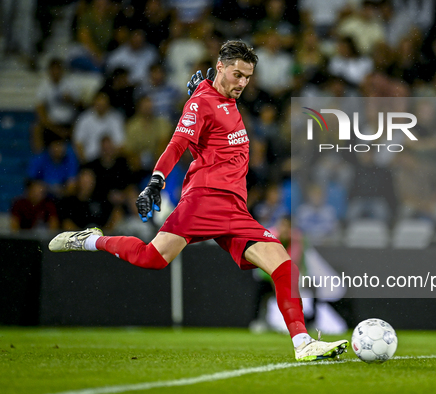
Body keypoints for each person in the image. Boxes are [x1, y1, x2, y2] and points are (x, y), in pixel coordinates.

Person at [49, 40, 348, 361]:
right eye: (237, 75)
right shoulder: (201, 102)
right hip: (204, 200)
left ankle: (303, 344)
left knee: (283, 264)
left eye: (247, 77)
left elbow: (214, 117)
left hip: (234, 207)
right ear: (220, 66)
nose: (242, 83)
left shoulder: (219, 96)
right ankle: (93, 240)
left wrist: (204, 88)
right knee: (153, 258)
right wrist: (156, 181)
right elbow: (177, 144)